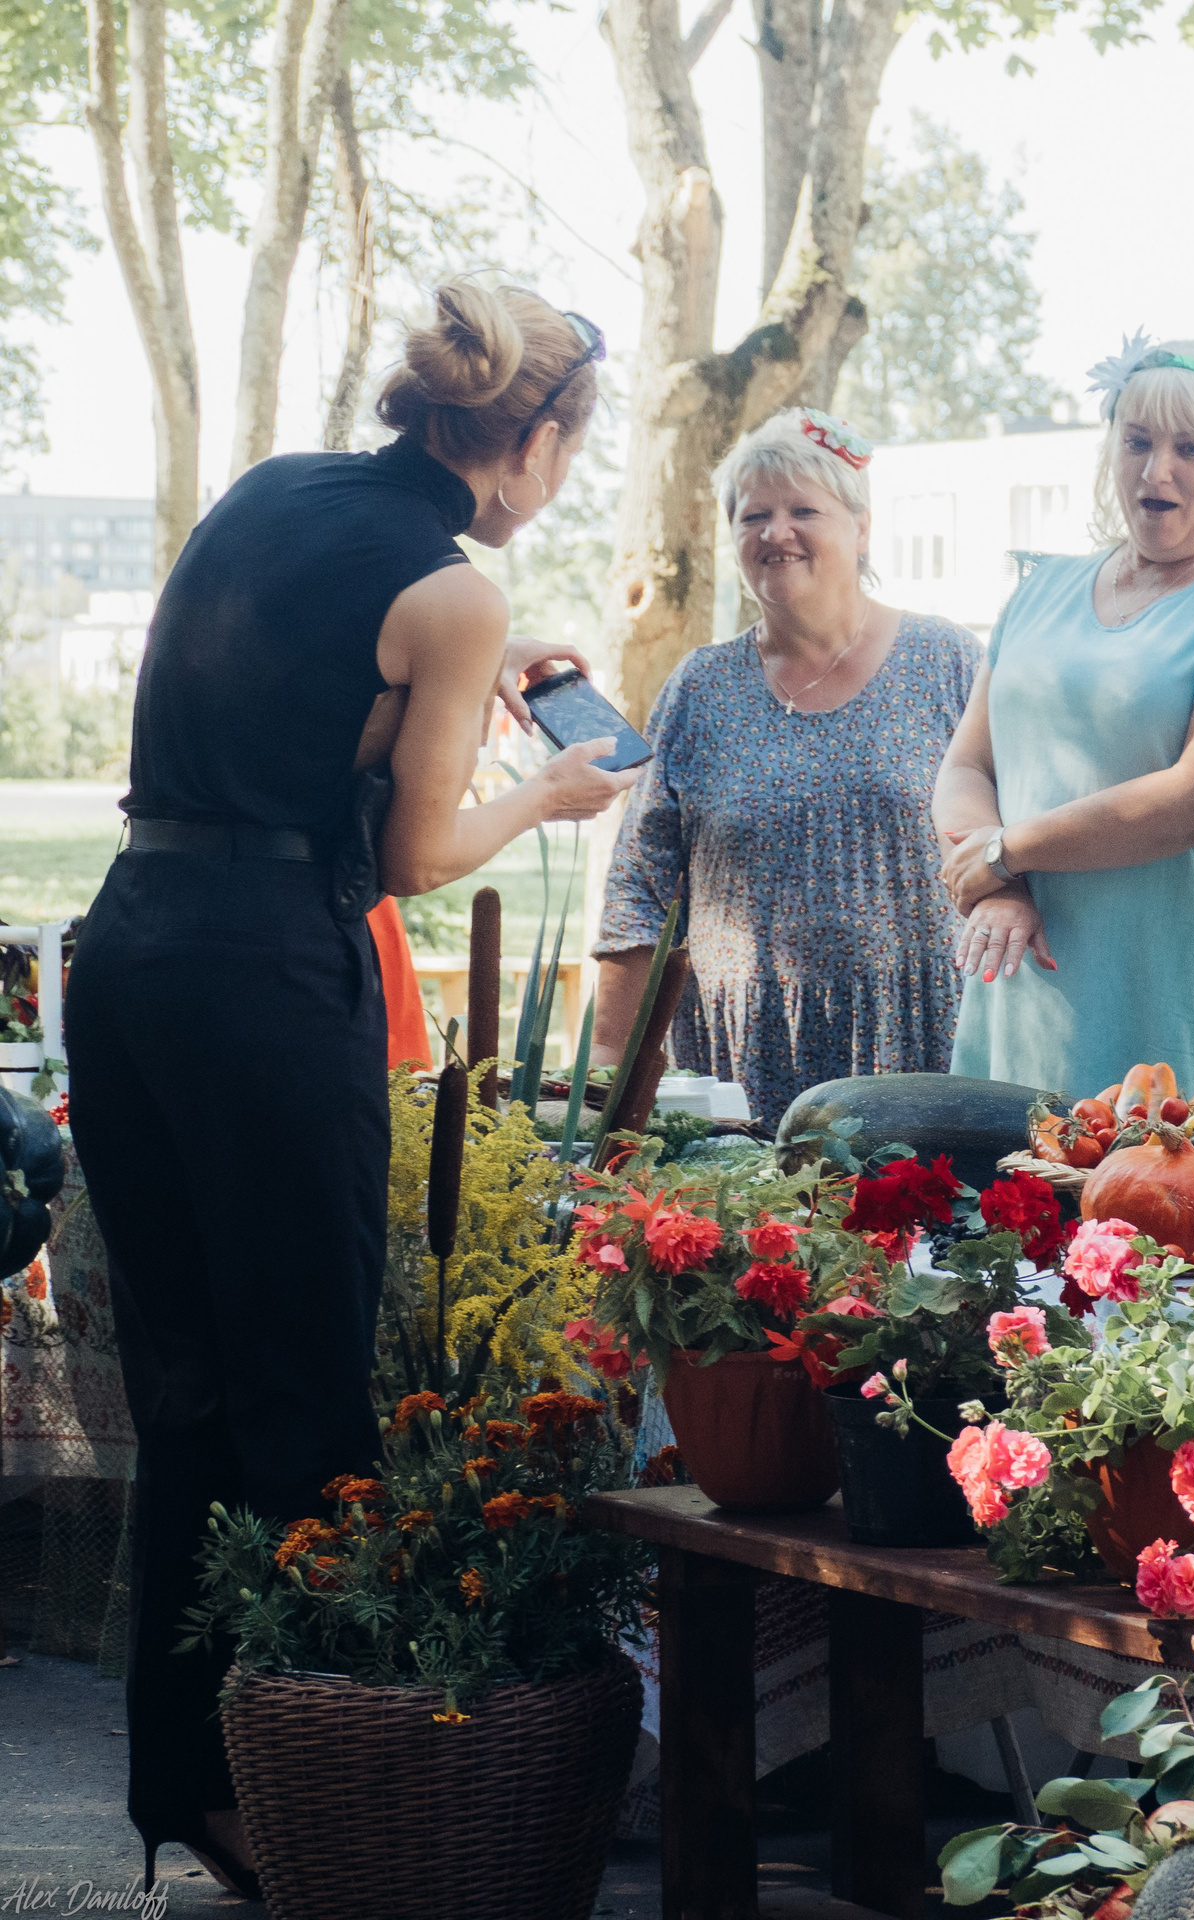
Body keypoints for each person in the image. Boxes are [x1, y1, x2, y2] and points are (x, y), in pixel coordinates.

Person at [63, 281, 633, 1895]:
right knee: (306, 1396)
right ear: (533, 436)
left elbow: (304, 681)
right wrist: (549, 791)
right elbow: (411, 855)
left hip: (132, 951)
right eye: (570, 448)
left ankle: (187, 1779)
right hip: (264, 976)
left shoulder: (276, 490)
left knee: (184, 1393)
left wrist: (466, 666)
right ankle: (326, 1792)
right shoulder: (449, 592)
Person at [935, 336, 1194, 1098]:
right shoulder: (1039, 590)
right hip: (1024, 970)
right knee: (1010, 1199)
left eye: (1190, 448)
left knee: (1168, 1198)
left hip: (1173, 979)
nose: (1157, 471)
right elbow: (967, 766)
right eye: (1138, 442)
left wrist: (1011, 851)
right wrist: (998, 889)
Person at [592, 409, 980, 1124]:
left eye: (804, 510)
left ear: (861, 528)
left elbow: (1016, 836)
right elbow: (639, 890)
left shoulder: (947, 660)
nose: (776, 532)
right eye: (752, 515)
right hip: (742, 1058)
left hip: (917, 1043)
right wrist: (608, 1072)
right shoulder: (699, 686)